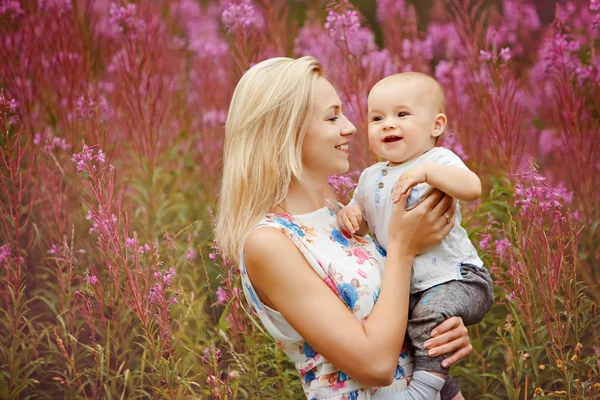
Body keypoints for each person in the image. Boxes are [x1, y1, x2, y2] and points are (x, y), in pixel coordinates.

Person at [215, 57, 474, 400]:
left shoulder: (342, 215)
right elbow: (376, 365)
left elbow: (389, 315)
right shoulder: (269, 243)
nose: (351, 127)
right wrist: (401, 248)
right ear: (286, 131)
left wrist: (436, 328)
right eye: (333, 116)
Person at [337, 72, 494, 399]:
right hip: (411, 287)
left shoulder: (437, 160)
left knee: (427, 319)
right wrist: (349, 215)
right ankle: (446, 392)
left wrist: (428, 173)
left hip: (456, 277)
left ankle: (423, 390)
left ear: (436, 126)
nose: (388, 124)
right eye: (377, 118)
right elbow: (363, 221)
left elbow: (472, 188)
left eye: (402, 114)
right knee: (406, 334)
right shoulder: (369, 177)